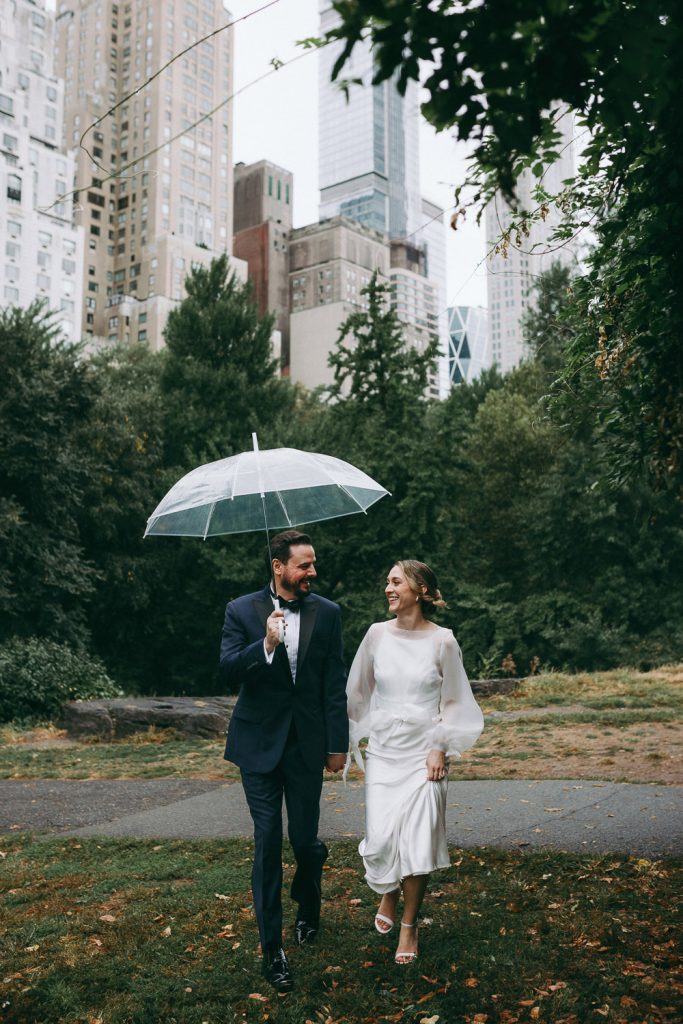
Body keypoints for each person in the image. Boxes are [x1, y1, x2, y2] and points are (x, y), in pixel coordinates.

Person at [220, 529, 348, 992]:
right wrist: (266, 645)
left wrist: (339, 745)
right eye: (304, 565)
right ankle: (273, 949)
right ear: (279, 567)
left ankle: (308, 903)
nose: (312, 572)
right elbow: (227, 668)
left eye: (313, 564)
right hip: (256, 745)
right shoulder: (241, 610)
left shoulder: (328, 614)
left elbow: (334, 683)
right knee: (268, 839)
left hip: (306, 745)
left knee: (305, 841)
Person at [346, 559, 484, 964]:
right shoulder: (375, 636)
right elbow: (357, 693)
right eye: (387, 581)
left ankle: (409, 925)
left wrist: (440, 745)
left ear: (420, 590)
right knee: (384, 838)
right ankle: (387, 892)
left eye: (395, 581)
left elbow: (456, 700)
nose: (387, 588)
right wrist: (347, 740)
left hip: (425, 755)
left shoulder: (443, 641)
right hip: (385, 753)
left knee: (419, 839)